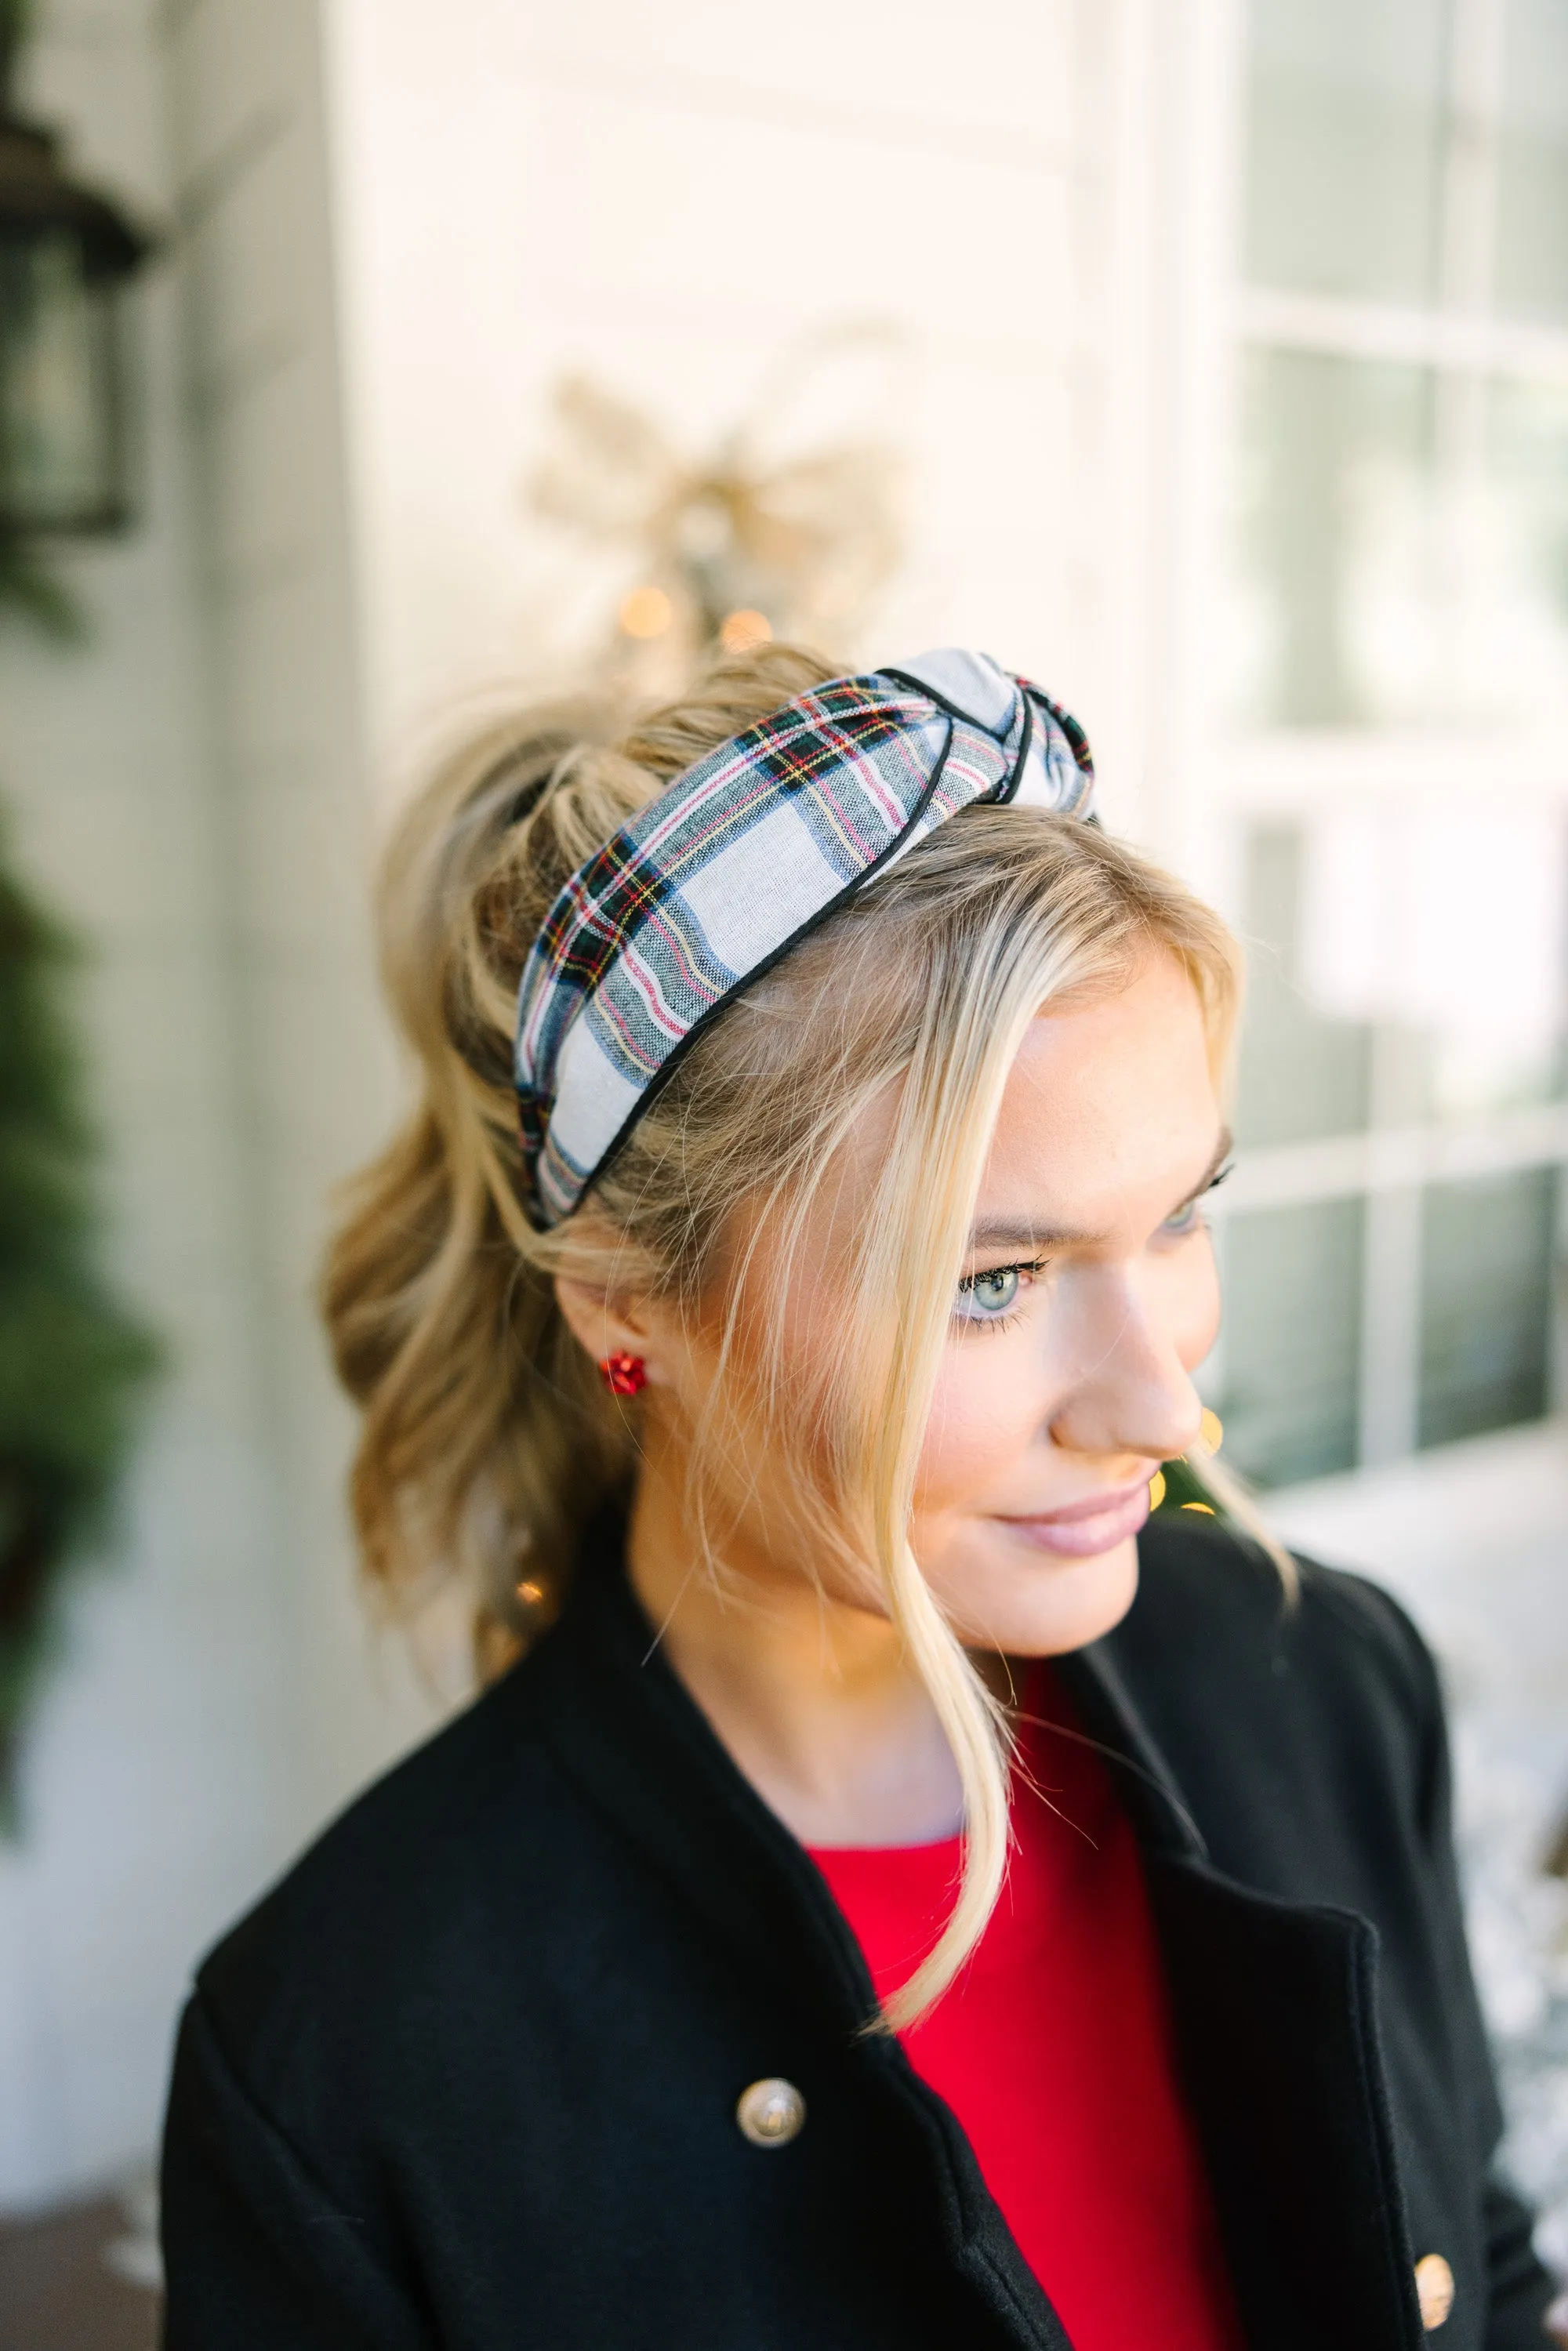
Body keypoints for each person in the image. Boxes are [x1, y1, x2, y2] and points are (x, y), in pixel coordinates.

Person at [159, 646, 1556, 2351]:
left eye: (1181, 1215)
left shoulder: (1321, 1677)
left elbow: (1476, 2266)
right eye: (992, 1279)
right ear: (623, 1297)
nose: (1161, 1399)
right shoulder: (347, 2052)